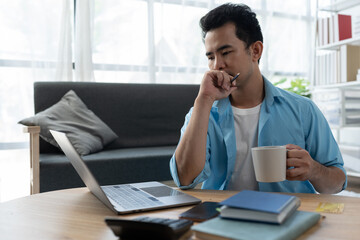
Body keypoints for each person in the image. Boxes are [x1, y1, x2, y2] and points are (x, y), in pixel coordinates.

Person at [169, 3, 346, 194]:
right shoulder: (203, 112)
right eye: (211, 57)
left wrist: (314, 170)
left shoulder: (303, 110)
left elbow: (337, 183)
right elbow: (185, 180)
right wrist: (203, 100)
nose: (217, 65)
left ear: (255, 51)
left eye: (225, 53)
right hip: (223, 216)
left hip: (288, 216)